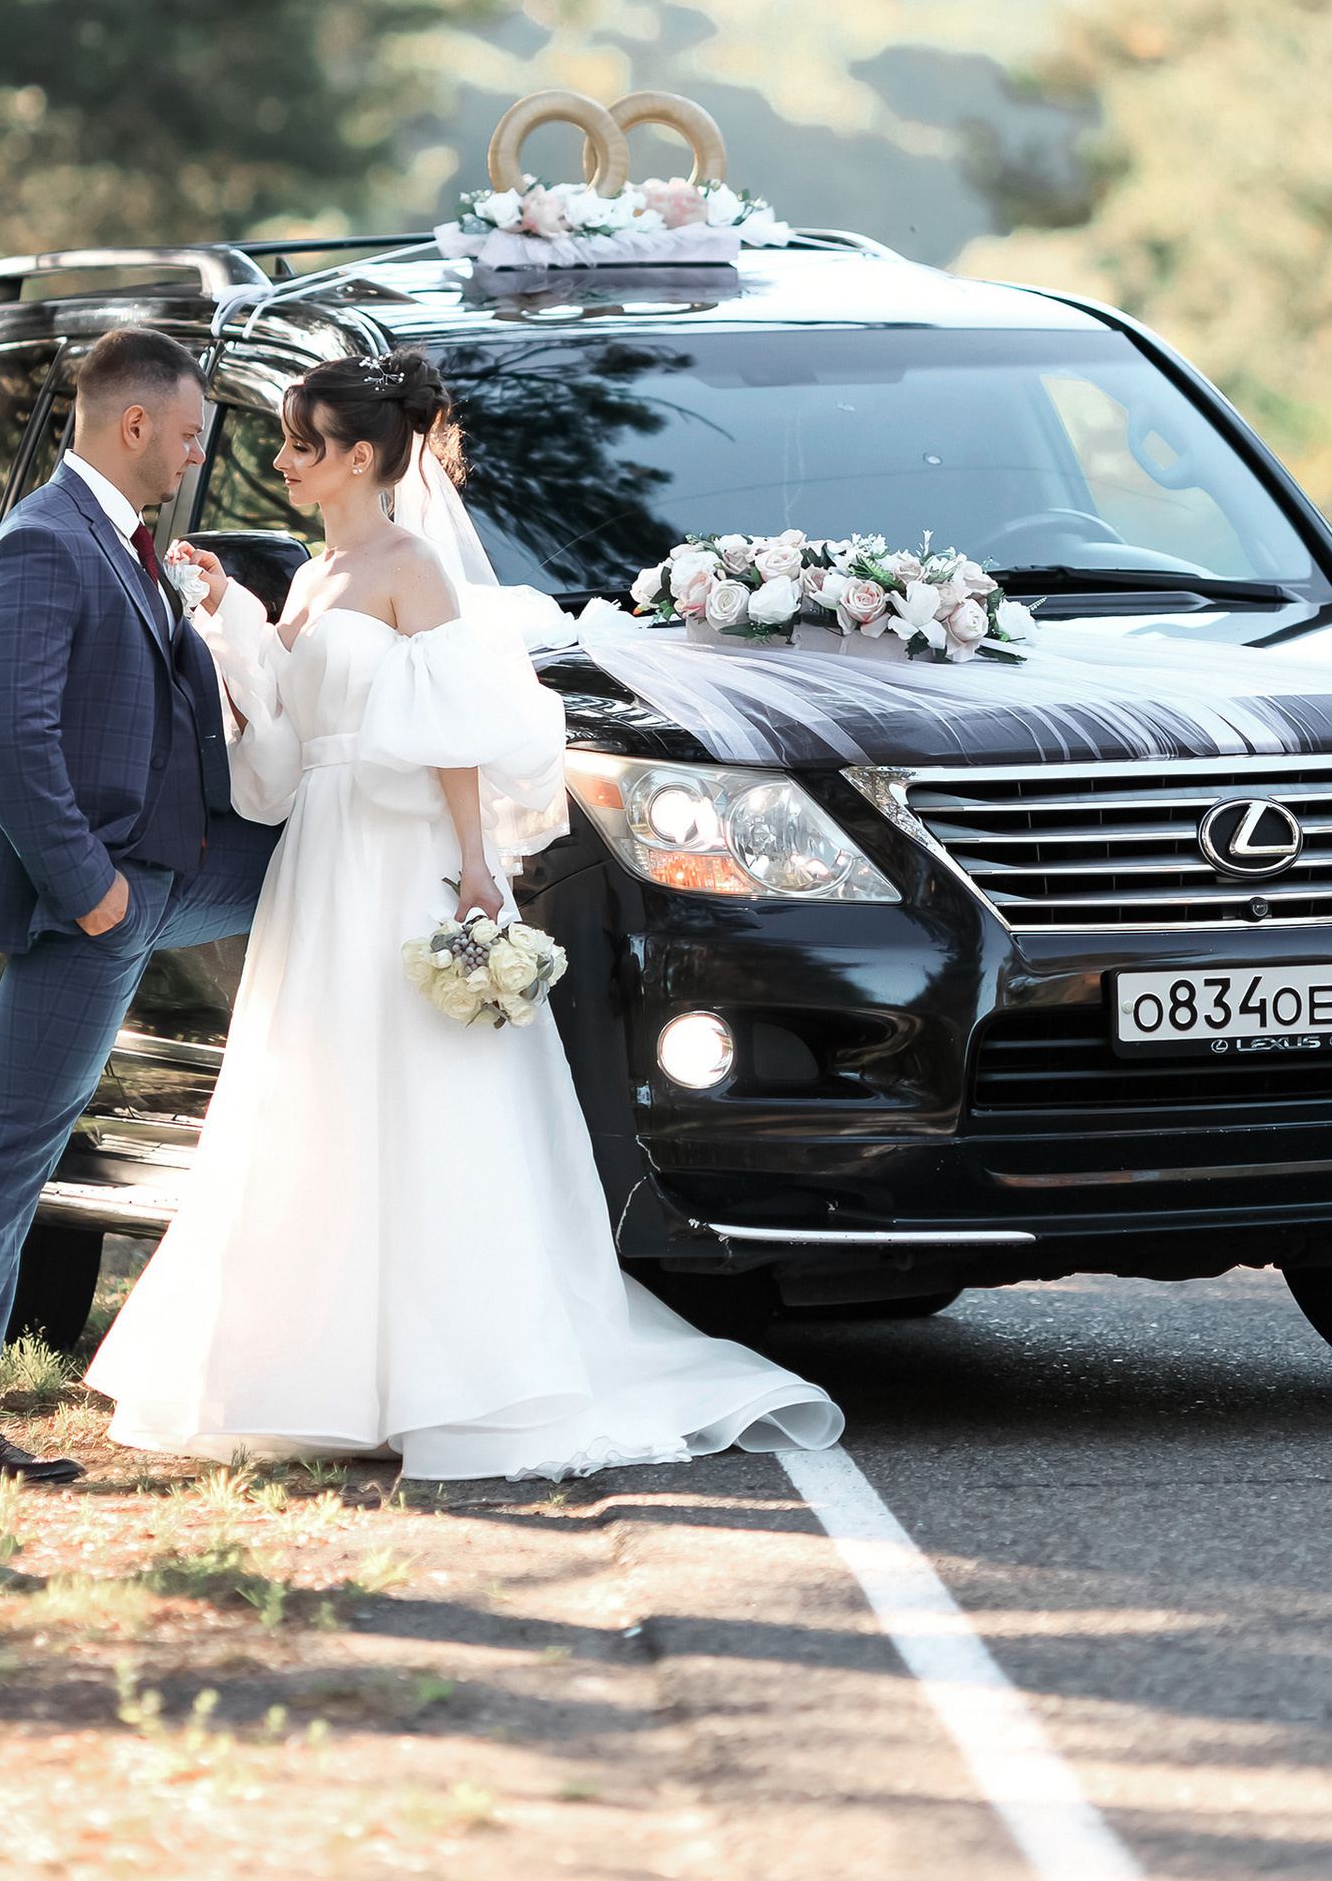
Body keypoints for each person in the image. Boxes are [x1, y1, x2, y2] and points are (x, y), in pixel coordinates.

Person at [83, 347, 842, 1479]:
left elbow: (456, 725)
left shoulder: (412, 569)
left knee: (425, 1092)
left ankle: (458, 1369)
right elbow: (281, 731)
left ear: (358, 457)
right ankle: (317, 1369)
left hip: (400, 857)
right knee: (322, 1087)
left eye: (299, 444)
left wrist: (477, 865)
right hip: (322, 855)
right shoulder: (312, 577)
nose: (281, 461)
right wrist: (228, 612)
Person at [0, 324, 278, 1485]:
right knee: (11, 1147)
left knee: (324, 867)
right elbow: (15, 745)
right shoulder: (41, 545)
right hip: (97, 903)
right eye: (190, 434)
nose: (197, 454)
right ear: (135, 424)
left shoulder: (124, 542)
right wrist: (94, 894)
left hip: (171, 871)